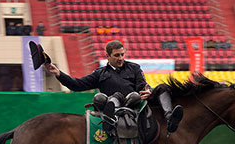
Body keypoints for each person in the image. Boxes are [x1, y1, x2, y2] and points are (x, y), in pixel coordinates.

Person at [46, 39, 183, 133]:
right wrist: (58, 73)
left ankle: (170, 119)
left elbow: (142, 86)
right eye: (116, 55)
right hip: (112, 104)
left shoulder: (134, 68)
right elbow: (77, 85)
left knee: (162, 87)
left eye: (122, 54)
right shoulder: (100, 73)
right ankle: (110, 119)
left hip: (134, 102)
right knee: (114, 96)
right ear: (108, 56)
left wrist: (148, 92)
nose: (120, 58)